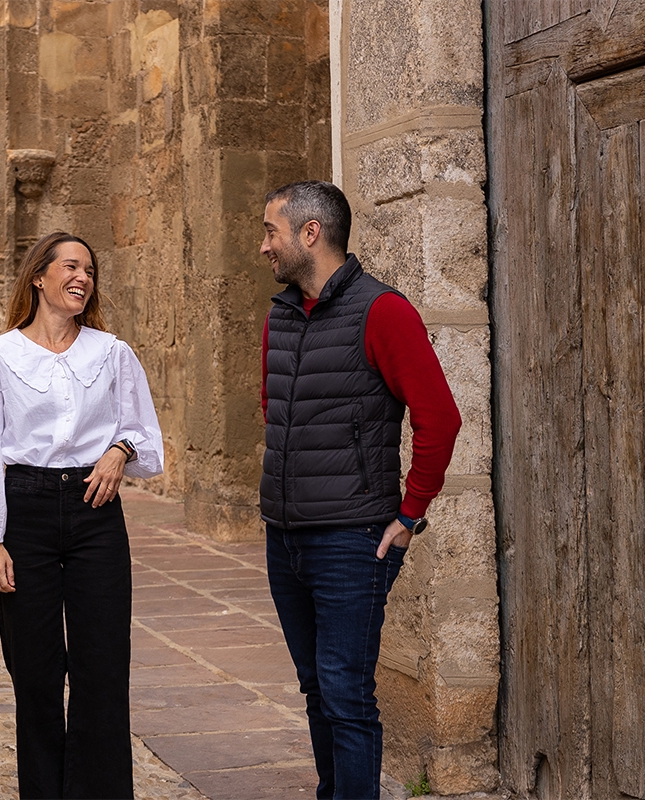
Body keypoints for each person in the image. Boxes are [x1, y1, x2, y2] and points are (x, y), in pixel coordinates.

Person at [259, 181, 461, 799]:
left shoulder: (384, 311)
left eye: (271, 231)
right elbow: (273, 408)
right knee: (317, 689)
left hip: (352, 538)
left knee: (346, 692)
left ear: (310, 233)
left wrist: (410, 513)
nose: (263, 246)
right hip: (285, 536)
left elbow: (440, 417)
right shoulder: (281, 313)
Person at [0, 231, 164, 799]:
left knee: (102, 669)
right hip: (24, 512)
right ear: (39, 277)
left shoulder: (112, 352)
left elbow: (144, 436)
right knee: (36, 674)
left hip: (96, 514)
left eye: (90, 271)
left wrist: (119, 453)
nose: (83, 278)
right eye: (71, 266)